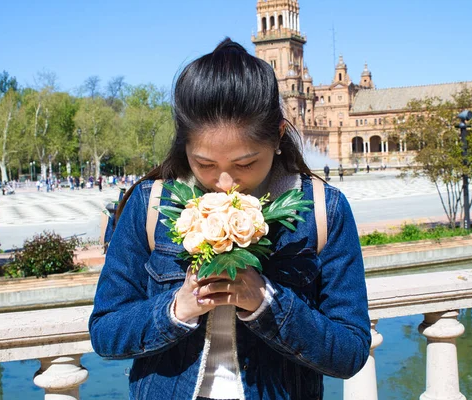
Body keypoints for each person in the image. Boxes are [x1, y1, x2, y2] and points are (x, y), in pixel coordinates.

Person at [89, 38, 370, 400]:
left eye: (245, 164)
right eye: (205, 164)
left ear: (279, 137)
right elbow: (105, 333)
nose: (225, 184)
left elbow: (350, 351)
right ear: (184, 144)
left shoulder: (323, 209)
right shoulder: (151, 205)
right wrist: (177, 308)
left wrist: (267, 302)